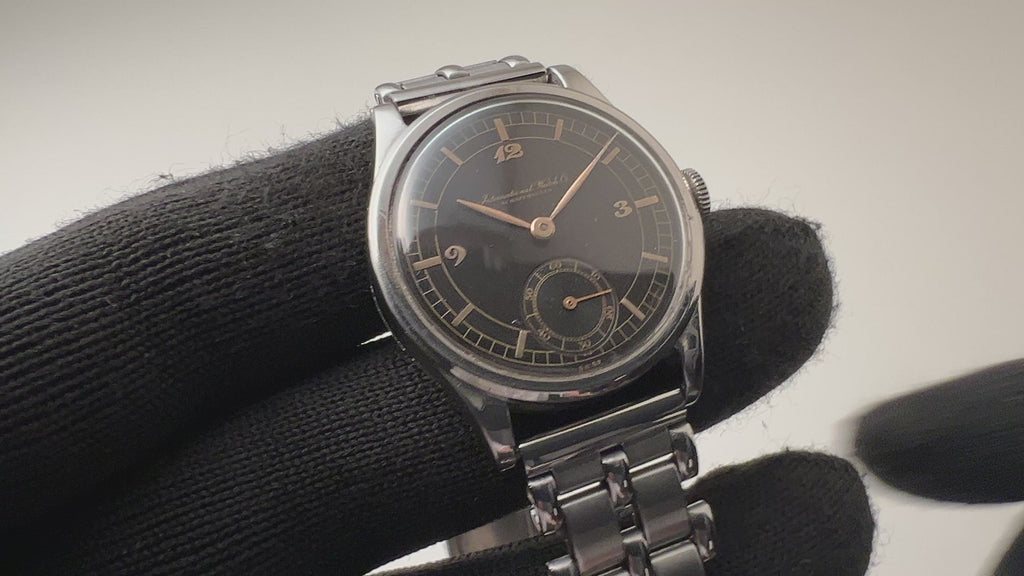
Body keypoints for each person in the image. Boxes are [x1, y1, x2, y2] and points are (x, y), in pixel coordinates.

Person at [0, 118, 1015, 575]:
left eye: (549, 218)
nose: (539, 229)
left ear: (680, 198)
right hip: (514, 381)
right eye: (525, 222)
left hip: (625, 348)